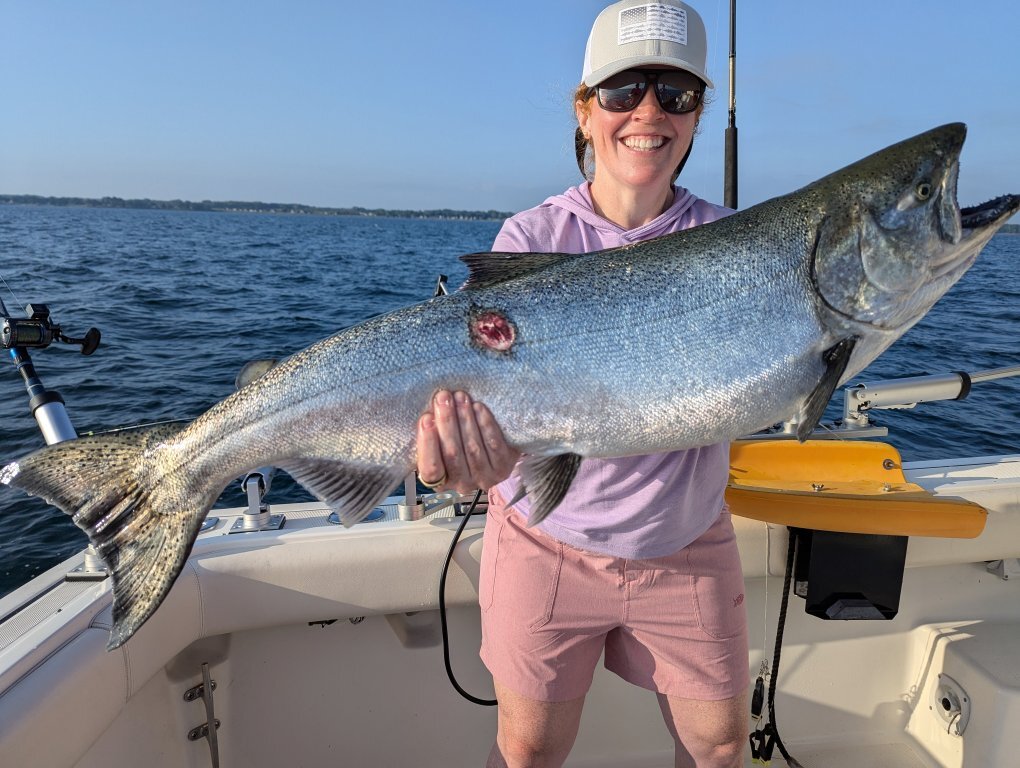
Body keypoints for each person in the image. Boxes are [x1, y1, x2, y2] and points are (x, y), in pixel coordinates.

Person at [416, 2, 749, 766]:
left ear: (698, 114)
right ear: (584, 108)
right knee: (528, 751)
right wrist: (456, 459)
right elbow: (490, 410)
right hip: (546, 541)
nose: (649, 112)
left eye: (675, 93)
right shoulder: (531, 238)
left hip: (687, 539)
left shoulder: (731, 243)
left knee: (721, 747)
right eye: (624, 90)